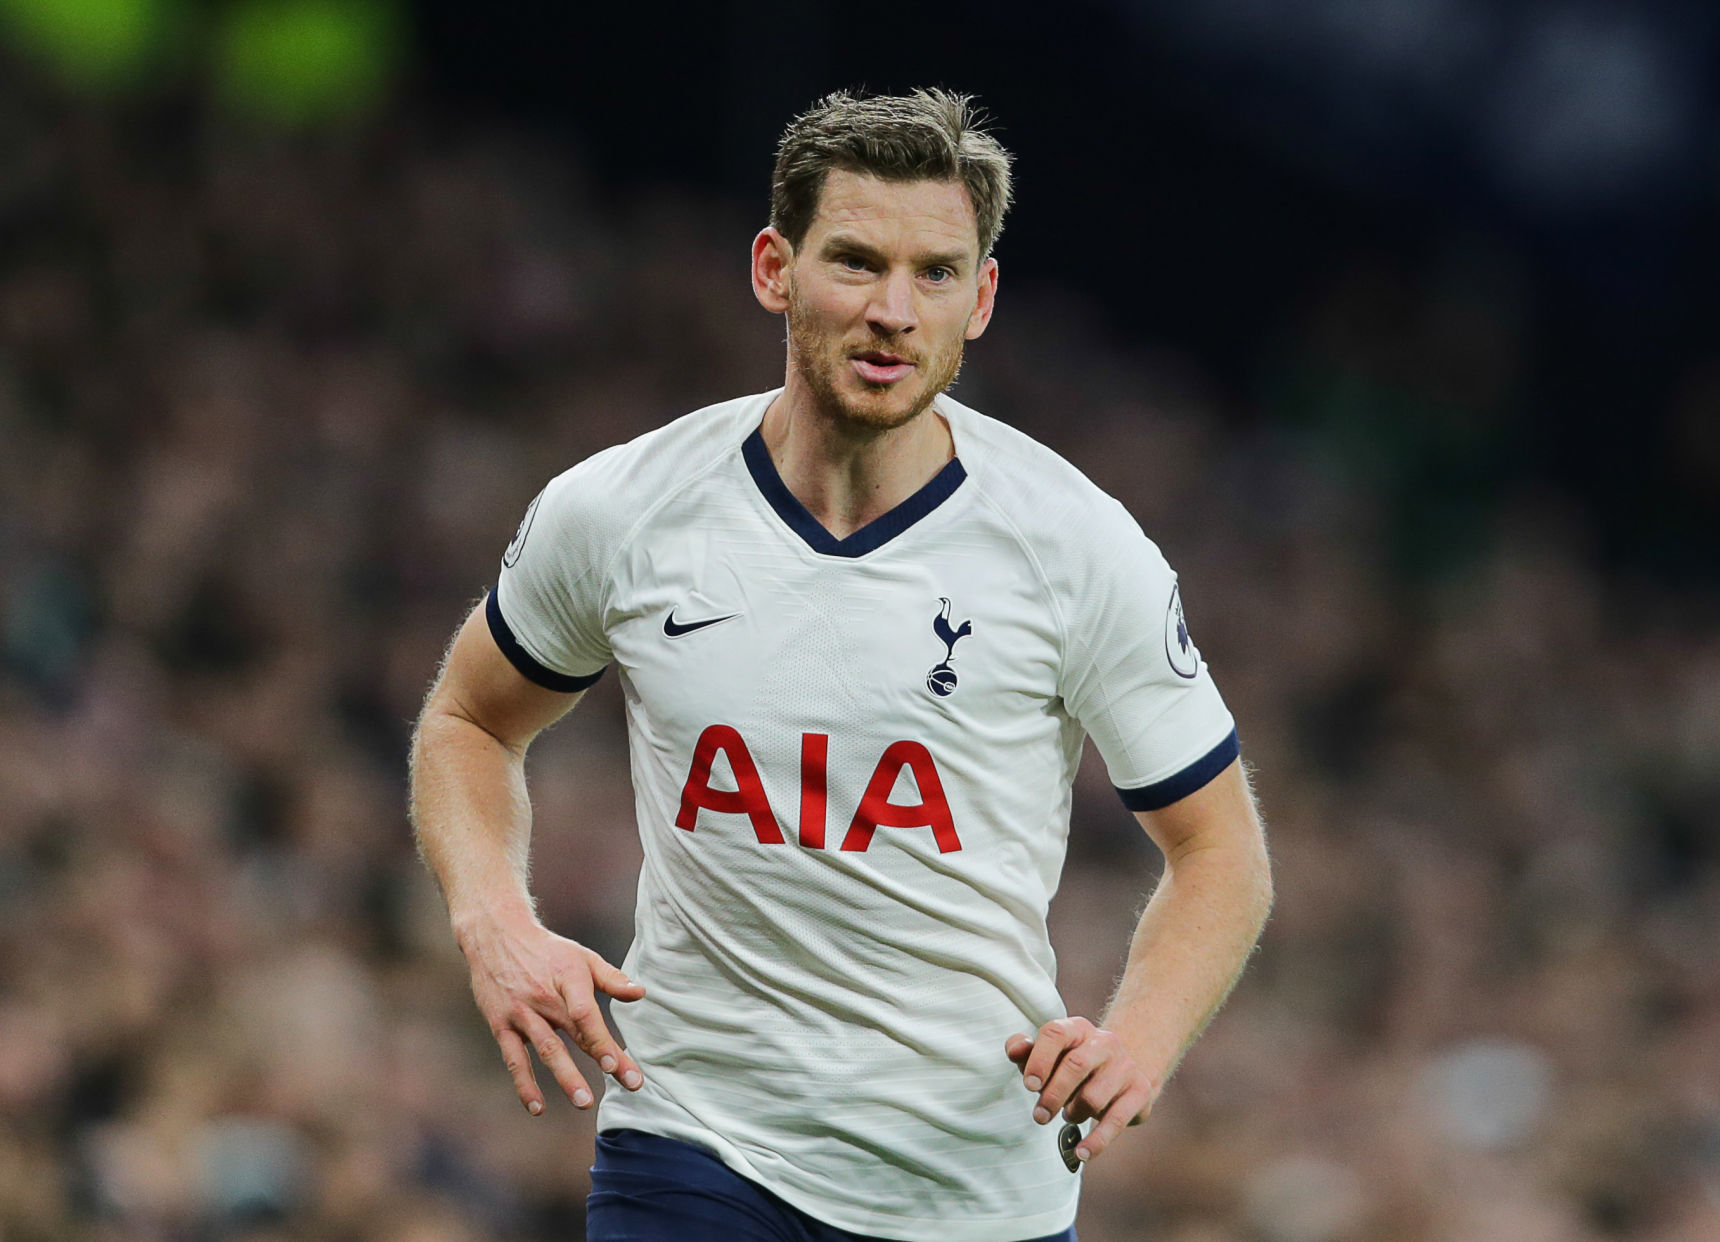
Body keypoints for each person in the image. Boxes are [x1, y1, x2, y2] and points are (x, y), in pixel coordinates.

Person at [409, 88, 1273, 1242]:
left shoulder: (1075, 547)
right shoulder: (625, 509)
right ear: (774, 268)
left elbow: (1219, 850)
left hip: (970, 1187)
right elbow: (470, 719)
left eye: (935, 274)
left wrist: (1134, 1043)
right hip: (695, 1140)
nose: (892, 311)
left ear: (983, 299)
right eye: (856, 262)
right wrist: (493, 920)